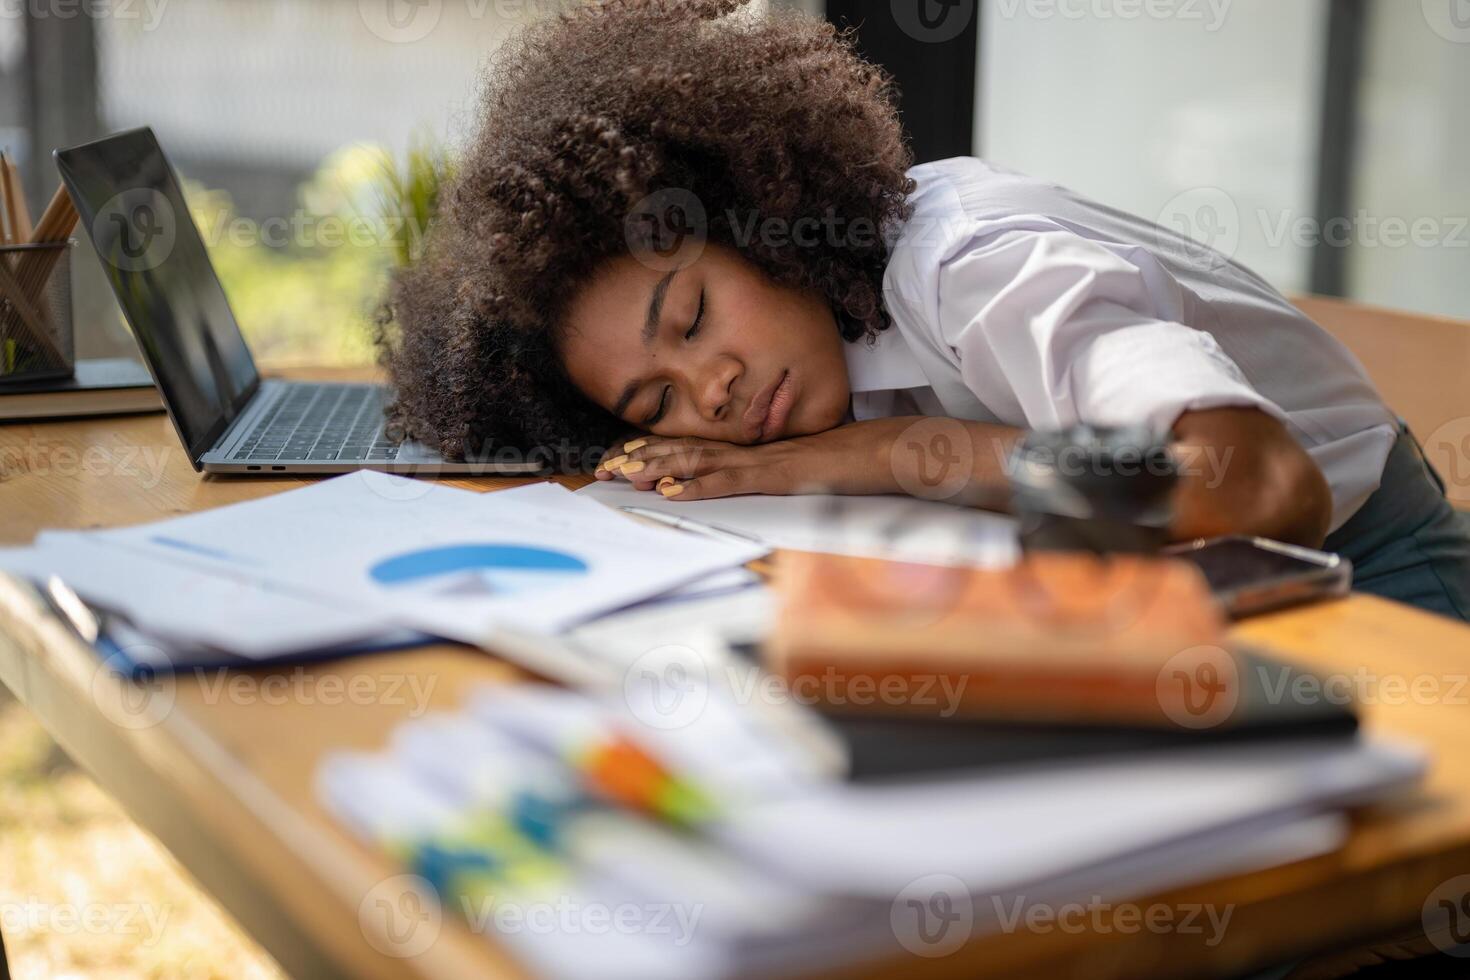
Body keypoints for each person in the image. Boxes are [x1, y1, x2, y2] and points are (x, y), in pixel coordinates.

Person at [378, 0, 1470, 620]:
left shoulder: (973, 263)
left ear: (760, 216)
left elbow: (1256, 488)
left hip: (1374, 567)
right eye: (656, 395)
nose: (709, 388)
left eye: (696, 313)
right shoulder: (796, 376)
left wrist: (905, 452)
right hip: (1176, 589)